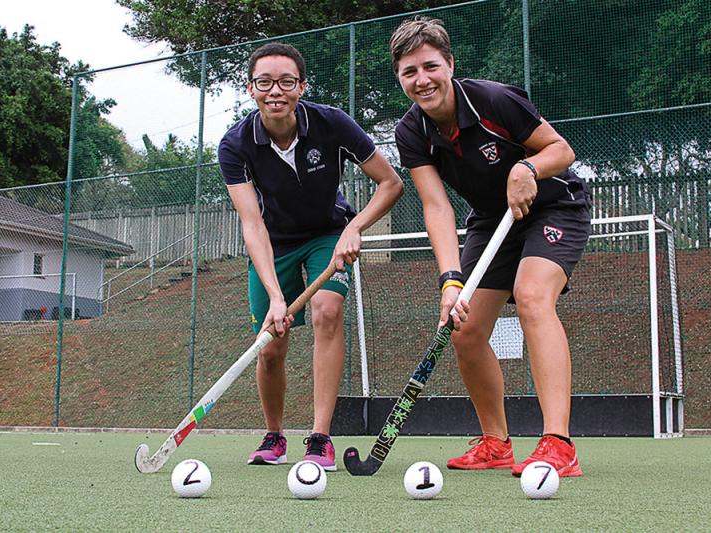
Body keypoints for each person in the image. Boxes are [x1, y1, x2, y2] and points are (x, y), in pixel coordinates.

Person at [389, 17, 591, 477]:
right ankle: (496, 443)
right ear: (399, 78)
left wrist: (526, 169)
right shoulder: (411, 131)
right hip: (491, 220)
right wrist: (450, 281)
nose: (422, 80)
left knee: (532, 295)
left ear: (450, 64)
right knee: (464, 329)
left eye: (430, 66)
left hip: (553, 206)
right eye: (409, 72)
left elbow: (561, 150)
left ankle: (558, 443)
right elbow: (436, 207)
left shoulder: (494, 100)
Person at [219, 42, 404, 471]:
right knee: (271, 346)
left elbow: (391, 183)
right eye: (265, 82)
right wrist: (276, 296)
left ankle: (320, 438)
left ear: (302, 86)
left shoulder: (331, 123)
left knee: (327, 310)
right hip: (274, 242)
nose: (276, 91)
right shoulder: (235, 145)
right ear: (251, 88)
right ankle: (274, 436)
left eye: (287, 82)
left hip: (328, 234)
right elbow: (252, 224)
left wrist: (354, 228)